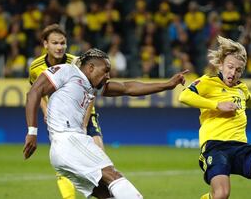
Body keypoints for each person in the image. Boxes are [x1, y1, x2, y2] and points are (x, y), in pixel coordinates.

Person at [23, 48, 188, 198]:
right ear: (90, 68)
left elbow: (127, 88)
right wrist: (32, 132)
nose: (108, 76)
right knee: (113, 176)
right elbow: (34, 92)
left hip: (64, 149)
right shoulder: (67, 71)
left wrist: (167, 85)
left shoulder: (91, 85)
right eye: (106, 70)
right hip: (69, 140)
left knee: (106, 193)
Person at [179, 36, 251, 199]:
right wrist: (217, 105)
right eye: (230, 67)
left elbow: (249, 99)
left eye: (238, 70)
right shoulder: (208, 81)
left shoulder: (241, 88)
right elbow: (184, 96)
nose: (233, 73)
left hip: (240, 147)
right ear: (221, 64)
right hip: (215, 146)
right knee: (222, 193)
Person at [29, 24, 104, 199]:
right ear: (45, 44)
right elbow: (36, 92)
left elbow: (91, 93)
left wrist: (84, 123)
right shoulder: (35, 67)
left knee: (99, 158)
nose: (59, 47)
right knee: (63, 162)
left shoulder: (78, 63)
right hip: (59, 121)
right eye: (55, 43)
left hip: (84, 114)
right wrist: (46, 109)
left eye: (63, 43)